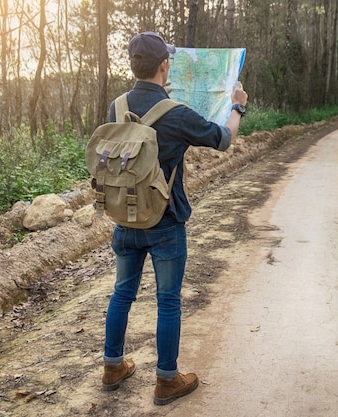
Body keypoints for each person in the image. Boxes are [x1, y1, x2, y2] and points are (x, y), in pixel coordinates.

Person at [100, 31, 248, 406]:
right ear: (165, 65)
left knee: (122, 294)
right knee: (168, 301)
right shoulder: (175, 113)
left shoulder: (116, 108)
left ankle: (113, 366)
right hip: (164, 223)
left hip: (125, 218)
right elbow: (223, 140)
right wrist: (238, 108)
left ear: (134, 66)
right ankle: (167, 380)